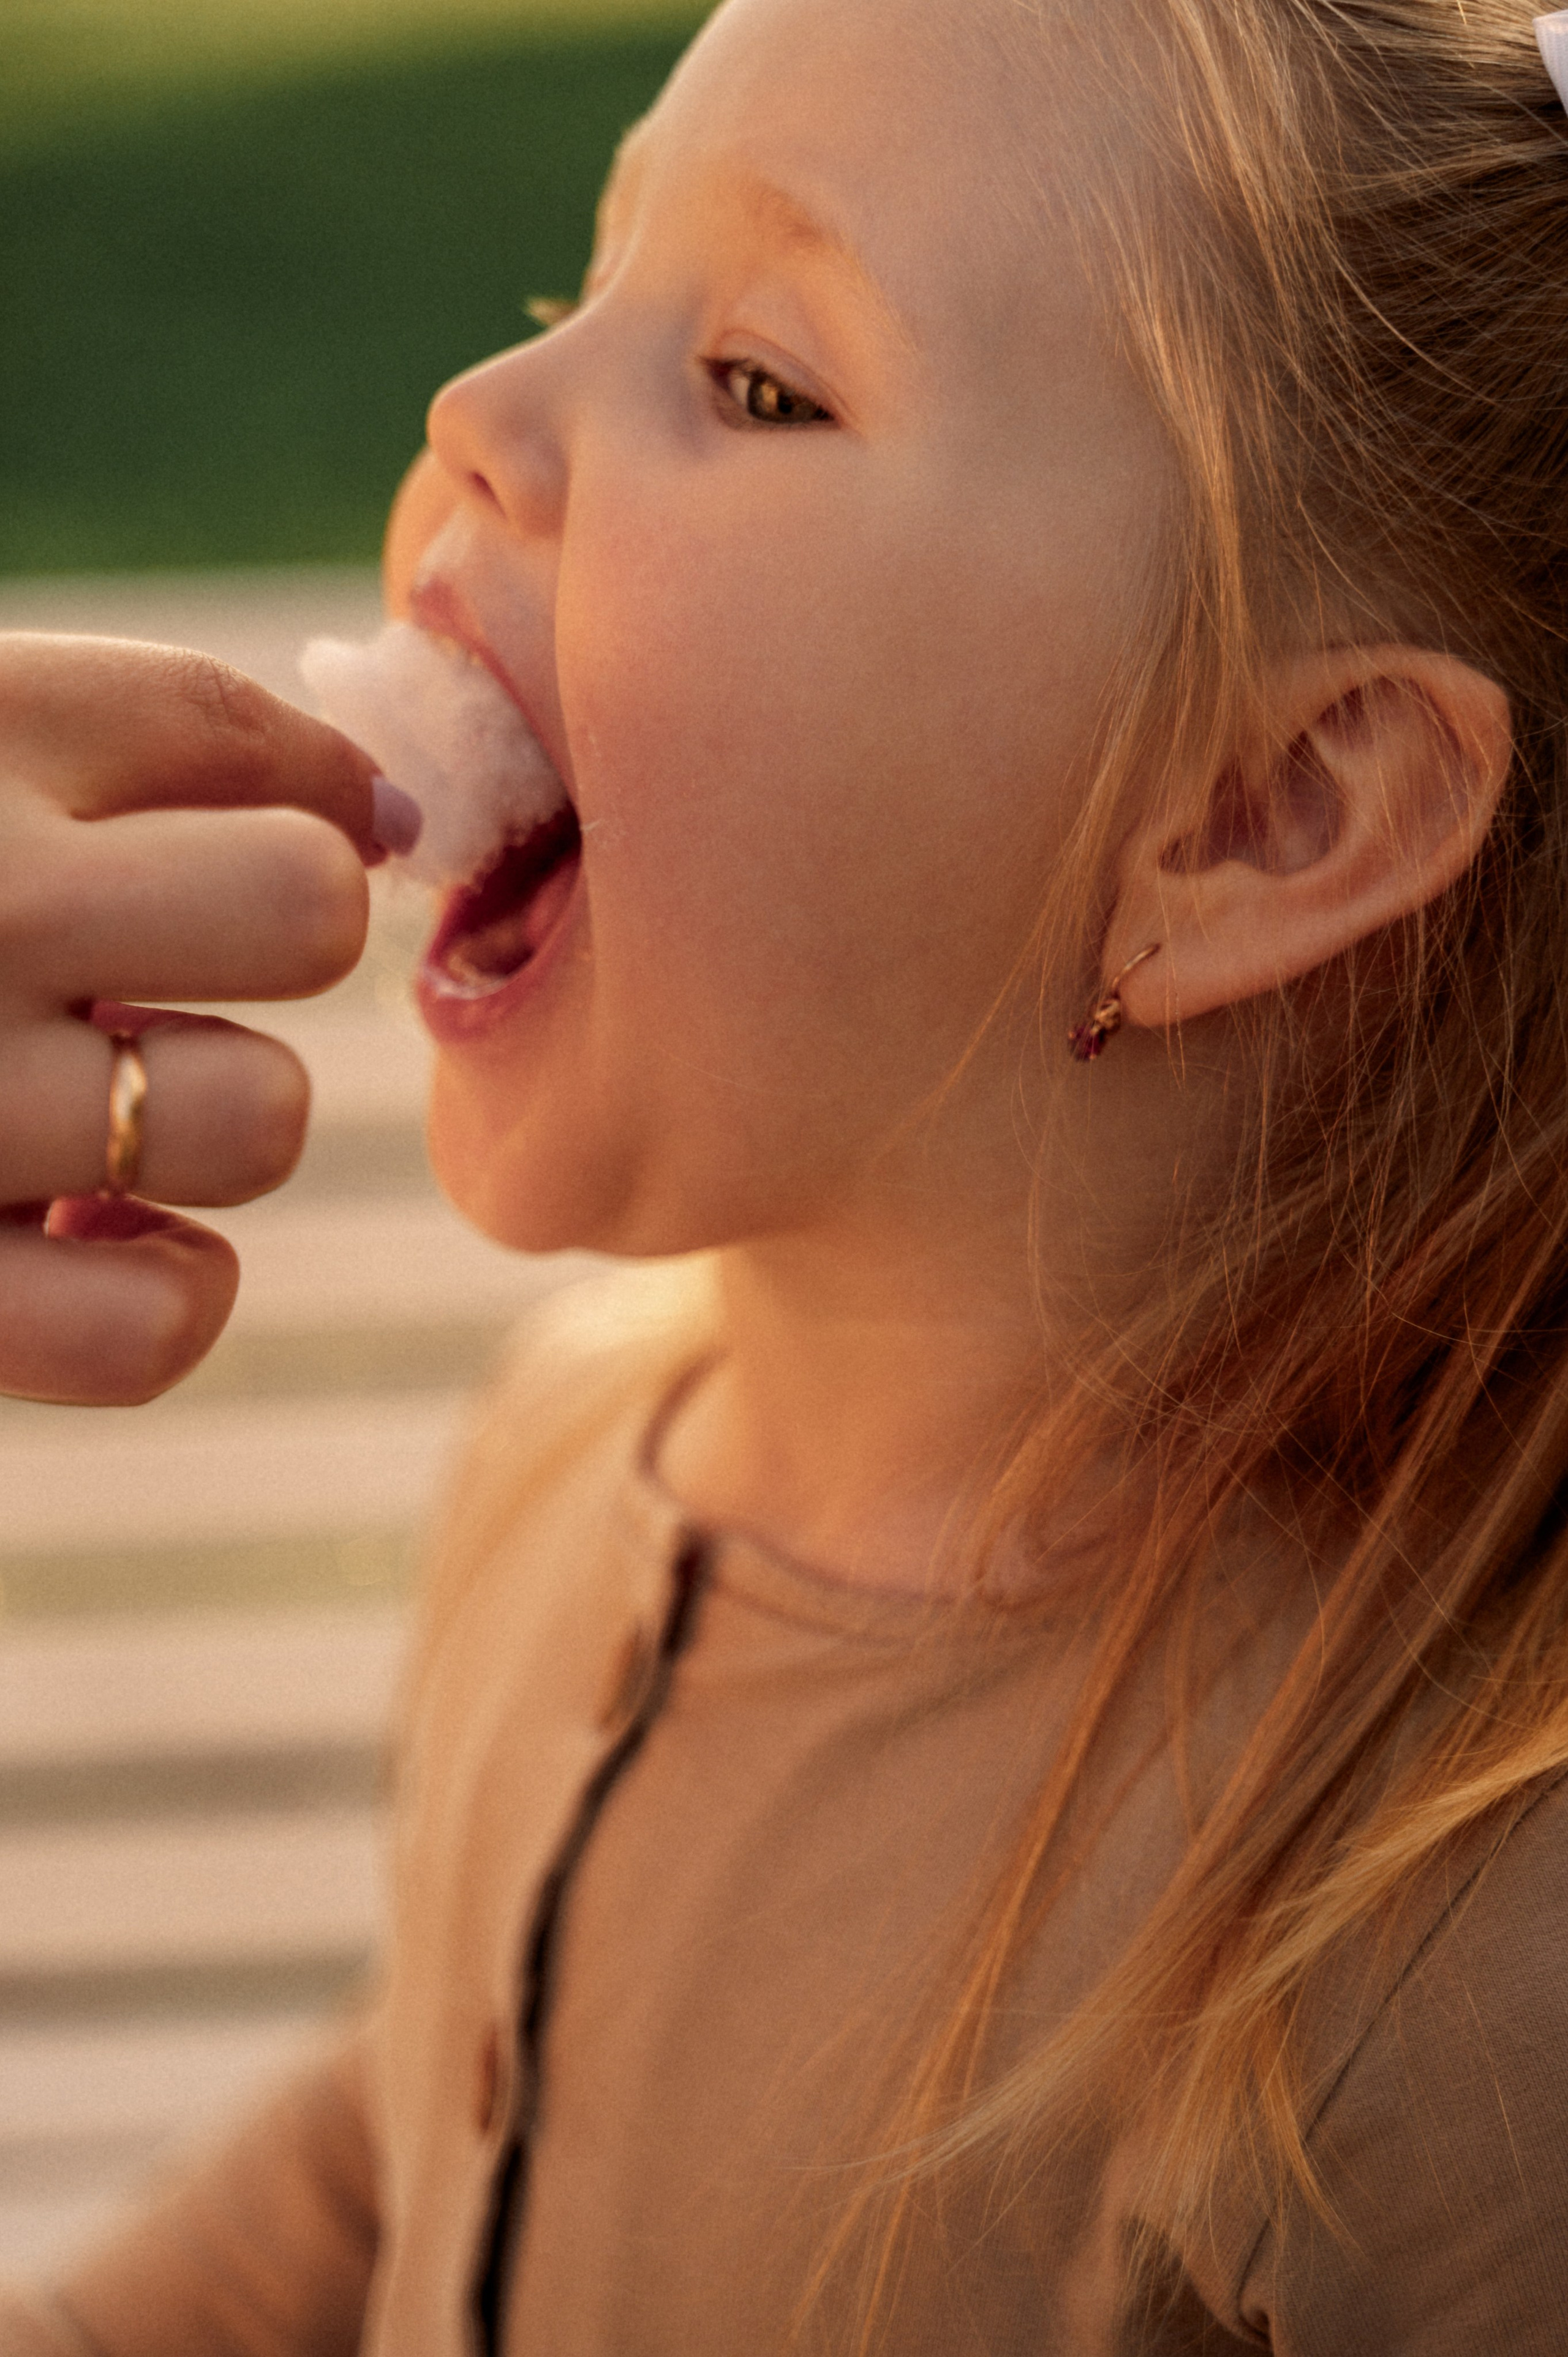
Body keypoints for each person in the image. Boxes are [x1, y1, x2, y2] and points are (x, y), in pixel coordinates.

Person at [2, 0, 1567, 2345]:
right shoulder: (570, 1449)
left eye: (753, 381)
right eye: (578, 288)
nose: (478, 415)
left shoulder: (1439, 2011)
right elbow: (411, 2130)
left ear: (1266, 816)